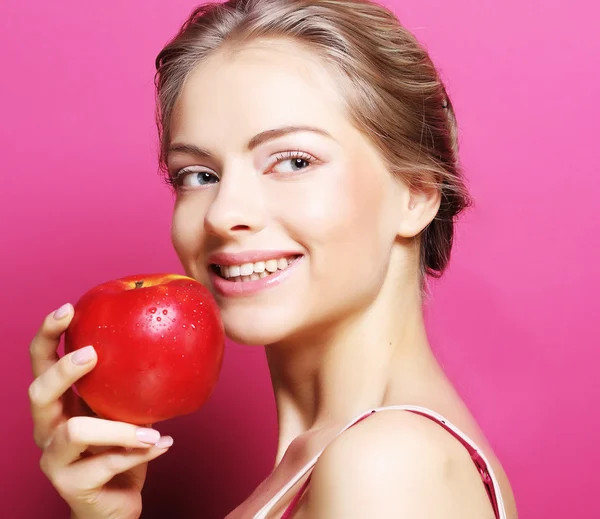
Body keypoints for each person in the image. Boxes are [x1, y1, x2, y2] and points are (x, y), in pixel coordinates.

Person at [28, 0, 518, 517]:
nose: (223, 213)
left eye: (293, 161)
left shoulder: (386, 466)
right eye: (197, 174)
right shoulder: (334, 458)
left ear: (415, 194)